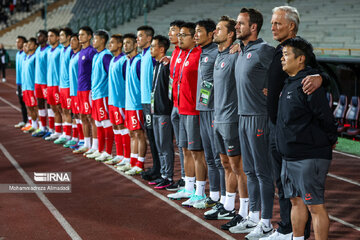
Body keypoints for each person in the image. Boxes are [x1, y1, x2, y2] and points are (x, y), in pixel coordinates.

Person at [264, 6, 329, 240]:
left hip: (296, 136)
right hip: (278, 130)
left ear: (291, 25)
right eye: (272, 23)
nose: (272, 27)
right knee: (285, 187)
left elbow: (320, 74)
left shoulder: (299, 50)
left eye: (277, 23)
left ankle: (293, 231)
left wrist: (321, 78)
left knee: (305, 195)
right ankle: (287, 228)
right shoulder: (278, 51)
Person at [277, 36, 337, 240]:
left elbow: (326, 118)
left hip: (308, 156)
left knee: (315, 205)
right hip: (290, 156)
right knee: (296, 201)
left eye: (286, 55)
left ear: (300, 59)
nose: (282, 59)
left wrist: (328, 140)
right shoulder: (290, 82)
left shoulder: (309, 83)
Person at [230, 8, 275, 239]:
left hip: (259, 117)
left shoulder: (265, 50)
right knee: (249, 171)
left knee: (262, 172)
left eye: (240, 23)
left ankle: (266, 222)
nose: (236, 27)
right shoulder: (241, 50)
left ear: (253, 27)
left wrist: (274, 92)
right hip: (242, 117)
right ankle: (254, 217)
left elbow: (284, 71)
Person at [205, 16, 249, 231]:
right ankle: (229, 205)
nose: (215, 32)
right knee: (225, 165)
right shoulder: (219, 54)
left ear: (231, 34)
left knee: (238, 167)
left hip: (231, 120)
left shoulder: (235, 54)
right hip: (218, 118)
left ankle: (244, 212)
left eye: (219, 29)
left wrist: (239, 46)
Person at [167, 22, 206, 208]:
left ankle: (200, 192)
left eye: (184, 35)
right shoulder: (179, 54)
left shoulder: (199, 55)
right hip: (180, 108)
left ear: (194, 38)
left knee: (196, 153)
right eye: (179, 35)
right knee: (184, 149)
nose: (180, 38)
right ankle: (189, 187)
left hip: (193, 110)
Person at [193, 19, 226, 210]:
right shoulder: (203, 53)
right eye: (195, 32)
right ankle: (214, 196)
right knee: (210, 157)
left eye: (199, 31)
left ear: (211, 33)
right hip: (203, 110)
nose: (196, 35)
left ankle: (224, 199)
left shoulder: (216, 53)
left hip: (214, 111)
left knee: (218, 157)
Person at [117, 33, 146, 176]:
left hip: (137, 105)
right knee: (131, 133)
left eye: (128, 43)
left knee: (139, 134)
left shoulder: (139, 61)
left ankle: (140, 163)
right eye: (124, 43)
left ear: (135, 44)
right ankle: (132, 161)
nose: (125, 46)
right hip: (128, 104)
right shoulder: (127, 61)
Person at [149, 35, 174, 189]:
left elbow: (169, 89)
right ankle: (163, 174)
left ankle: (168, 176)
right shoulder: (157, 65)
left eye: (153, 46)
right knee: (159, 145)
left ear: (162, 49)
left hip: (164, 111)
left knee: (165, 146)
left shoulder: (166, 65)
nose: (151, 49)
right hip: (156, 110)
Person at [136, 25, 161, 179]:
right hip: (144, 102)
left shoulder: (152, 57)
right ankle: (156, 167)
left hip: (151, 102)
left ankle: (159, 169)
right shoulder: (143, 56)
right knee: (150, 136)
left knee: (155, 137)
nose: (137, 39)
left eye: (140, 36)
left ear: (149, 38)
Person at [85, 30, 114, 162]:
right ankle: (100, 149)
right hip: (96, 94)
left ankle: (108, 151)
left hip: (103, 95)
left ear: (103, 40)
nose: (93, 42)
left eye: (95, 39)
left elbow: (111, 75)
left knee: (106, 123)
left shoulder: (106, 56)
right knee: (98, 123)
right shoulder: (97, 55)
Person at [165, 20, 186, 190]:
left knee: (189, 147)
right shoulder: (175, 53)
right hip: (175, 104)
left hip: (187, 106)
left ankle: (189, 180)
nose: (170, 34)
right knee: (180, 144)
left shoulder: (189, 52)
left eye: (174, 31)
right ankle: (185, 177)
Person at [106, 34, 131, 165]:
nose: (110, 45)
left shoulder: (123, 60)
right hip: (112, 100)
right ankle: (120, 154)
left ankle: (127, 157)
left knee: (123, 127)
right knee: (115, 126)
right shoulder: (112, 59)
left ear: (120, 45)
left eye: (112, 42)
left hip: (121, 100)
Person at [72, 26, 98, 155]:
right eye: (79, 35)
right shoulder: (81, 52)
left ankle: (95, 145)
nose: (79, 37)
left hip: (88, 89)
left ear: (89, 36)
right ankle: (86, 143)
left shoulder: (91, 52)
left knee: (91, 117)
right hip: (80, 89)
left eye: (82, 35)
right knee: (82, 116)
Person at [54, 27, 74, 145]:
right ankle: (66, 134)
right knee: (64, 110)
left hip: (68, 86)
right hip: (62, 85)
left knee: (70, 111)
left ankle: (73, 136)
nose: (60, 37)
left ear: (68, 37)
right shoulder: (62, 49)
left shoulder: (71, 50)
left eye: (62, 35)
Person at [44, 28, 63, 141]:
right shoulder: (48, 51)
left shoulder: (60, 50)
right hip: (50, 84)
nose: (49, 38)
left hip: (57, 84)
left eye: (51, 36)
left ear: (57, 38)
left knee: (60, 109)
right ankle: (56, 131)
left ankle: (63, 132)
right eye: (48, 36)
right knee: (53, 108)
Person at [67, 33, 85, 150]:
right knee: (76, 116)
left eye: (74, 40)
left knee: (82, 116)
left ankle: (84, 140)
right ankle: (79, 138)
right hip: (73, 91)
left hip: (80, 91)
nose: (71, 43)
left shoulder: (79, 56)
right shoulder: (73, 55)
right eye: (71, 41)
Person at [32, 30, 50, 138]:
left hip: (45, 82)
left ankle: (51, 128)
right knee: (40, 104)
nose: (38, 38)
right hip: (37, 82)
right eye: (38, 36)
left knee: (50, 105)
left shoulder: (48, 50)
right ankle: (43, 127)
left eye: (41, 36)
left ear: (46, 38)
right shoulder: (38, 49)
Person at [21, 38, 39, 133]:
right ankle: (32, 124)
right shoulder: (26, 58)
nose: (27, 46)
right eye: (27, 44)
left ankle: (39, 126)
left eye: (30, 44)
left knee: (35, 106)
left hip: (32, 87)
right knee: (29, 106)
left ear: (35, 46)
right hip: (25, 87)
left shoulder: (35, 57)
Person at [14, 36, 28, 129]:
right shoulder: (17, 54)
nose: (17, 44)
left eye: (19, 42)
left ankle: (30, 122)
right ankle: (24, 120)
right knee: (21, 103)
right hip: (19, 82)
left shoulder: (25, 54)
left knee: (29, 103)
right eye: (16, 42)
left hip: (25, 83)